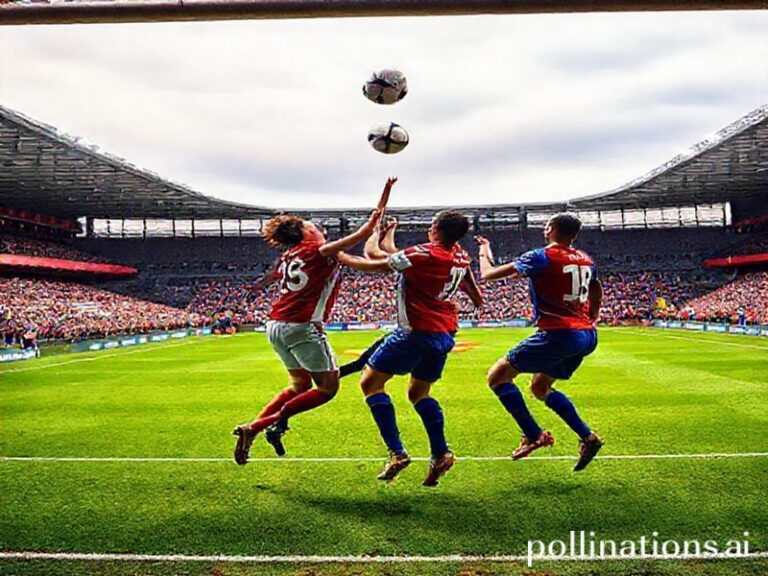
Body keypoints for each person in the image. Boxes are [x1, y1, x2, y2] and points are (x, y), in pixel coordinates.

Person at [337, 208, 483, 487]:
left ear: (436, 229)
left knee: (371, 383)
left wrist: (341, 254)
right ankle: (440, 453)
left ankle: (397, 453)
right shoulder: (459, 254)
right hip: (444, 333)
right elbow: (464, 280)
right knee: (419, 392)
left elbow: (374, 258)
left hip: (414, 332)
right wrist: (476, 298)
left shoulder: (427, 254)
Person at [232, 205, 382, 464]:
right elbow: (362, 233)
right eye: (312, 226)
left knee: (299, 385)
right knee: (327, 389)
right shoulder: (318, 250)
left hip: (276, 325)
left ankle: (254, 430)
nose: (318, 228)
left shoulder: (290, 254)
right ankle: (254, 428)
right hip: (301, 326)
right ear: (305, 234)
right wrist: (376, 218)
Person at [476, 213, 604, 472]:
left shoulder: (540, 256)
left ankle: (533, 434)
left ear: (552, 229)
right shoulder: (586, 259)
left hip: (559, 335)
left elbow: (488, 275)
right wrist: (593, 315)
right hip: (587, 336)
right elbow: (596, 287)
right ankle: (588, 437)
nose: (544, 229)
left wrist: (484, 250)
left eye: (547, 225)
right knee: (540, 386)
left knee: (497, 377)